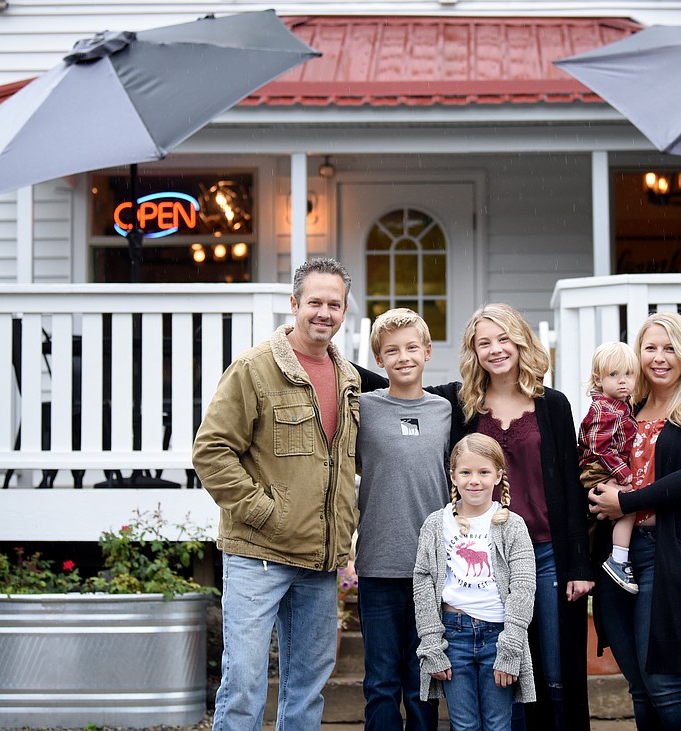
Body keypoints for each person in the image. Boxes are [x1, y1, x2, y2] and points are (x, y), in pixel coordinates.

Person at [364, 302, 594, 729]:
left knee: (554, 669)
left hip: (544, 554)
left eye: (503, 338)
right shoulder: (460, 402)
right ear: (473, 351)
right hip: (482, 557)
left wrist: (580, 562)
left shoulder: (554, 405)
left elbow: (571, 486)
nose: (495, 349)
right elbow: (400, 383)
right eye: (483, 342)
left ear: (521, 341)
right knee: (505, 669)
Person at [192, 257, 360, 731]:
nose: (323, 312)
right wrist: (266, 513)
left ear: (344, 311)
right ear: (294, 304)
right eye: (314, 302)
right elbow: (211, 452)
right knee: (244, 682)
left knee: (307, 687)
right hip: (258, 555)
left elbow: (344, 462)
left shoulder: (348, 379)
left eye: (334, 304)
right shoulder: (254, 368)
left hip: (319, 561)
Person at [588, 311, 681, 731]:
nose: (659, 357)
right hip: (619, 555)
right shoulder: (626, 407)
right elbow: (600, 460)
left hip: (672, 556)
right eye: (650, 347)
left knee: (667, 684)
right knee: (639, 685)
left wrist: (627, 501)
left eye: (669, 347)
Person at [355, 308, 450, 731]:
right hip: (378, 564)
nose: (404, 356)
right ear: (379, 359)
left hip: (434, 568)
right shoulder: (362, 409)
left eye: (413, 347)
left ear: (428, 351)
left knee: (423, 682)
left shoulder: (448, 411)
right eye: (392, 350)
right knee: (381, 682)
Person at [413, 433, 537, 731]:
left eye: (483, 472)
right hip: (453, 638)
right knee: (464, 724)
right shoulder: (435, 524)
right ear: (453, 476)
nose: (475, 480)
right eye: (466, 472)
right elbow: (423, 584)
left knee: (497, 724)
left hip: (499, 637)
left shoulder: (511, 524)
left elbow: (523, 586)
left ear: (497, 476)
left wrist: (511, 648)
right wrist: (432, 644)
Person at [576, 341, 642, 595]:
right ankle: (618, 560)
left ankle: (611, 558)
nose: (622, 381)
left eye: (629, 374)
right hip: (599, 469)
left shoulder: (623, 406)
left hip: (607, 467)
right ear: (599, 379)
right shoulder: (605, 410)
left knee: (602, 520)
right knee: (627, 505)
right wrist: (624, 475)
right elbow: (601, 448)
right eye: (613, 375)